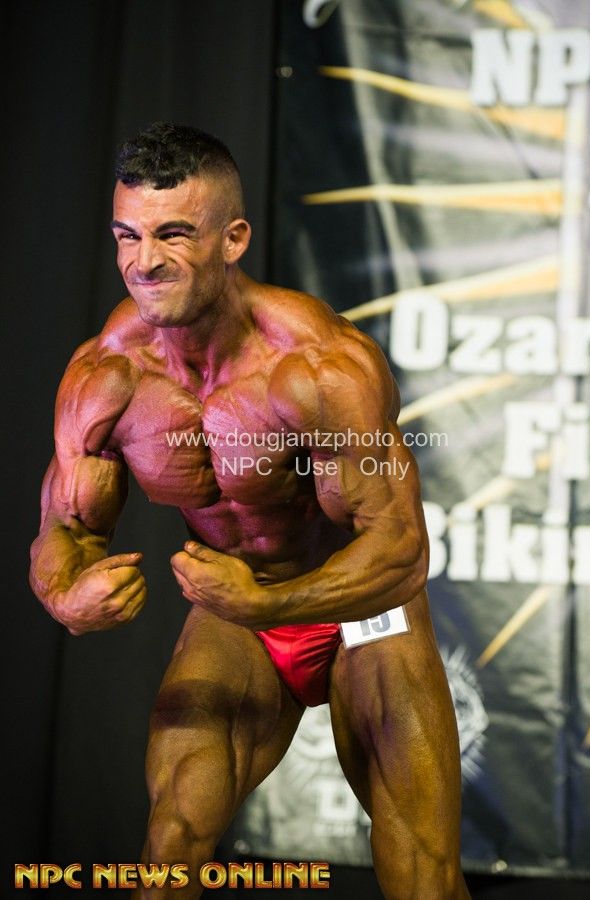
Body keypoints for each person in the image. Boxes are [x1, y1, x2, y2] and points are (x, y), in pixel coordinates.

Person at [30, 122, 469, 899]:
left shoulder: (319, 368)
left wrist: (270, 604)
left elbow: (401, 551)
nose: (143, 261)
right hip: (238, 607)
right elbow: (63, 530)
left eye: (172, 234)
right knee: (171, 844)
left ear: (233, 239)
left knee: (421, 874)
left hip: (364, 610)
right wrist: (65, 594)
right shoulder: (105, 377)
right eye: (127, 236)